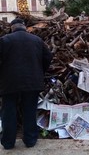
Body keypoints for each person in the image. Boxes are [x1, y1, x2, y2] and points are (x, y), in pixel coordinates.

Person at [0, 18, 53, 150]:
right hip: (32, 82)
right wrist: (40, 71)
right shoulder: (37, 40)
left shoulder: (4, 40)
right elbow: (48, 57)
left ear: (12, 28)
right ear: (24, 27)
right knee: (29, 110)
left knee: (9, 111)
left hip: (9, 83)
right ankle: (30, 140)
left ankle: (8, 142)